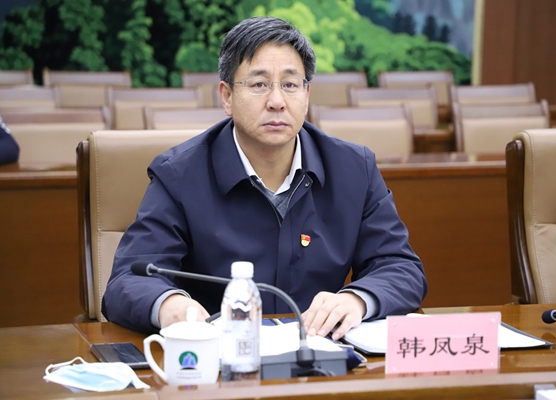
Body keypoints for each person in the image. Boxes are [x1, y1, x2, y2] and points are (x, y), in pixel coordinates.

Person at [102, 16, 427, 339]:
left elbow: (400, 267)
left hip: (319, 357)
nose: (277, 102)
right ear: (227, 96)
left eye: (290, 85)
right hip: (216, 357)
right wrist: (169, 304)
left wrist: (357, 299)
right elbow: (129, 280)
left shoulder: (354, 169)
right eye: (259, 85)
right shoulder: (179, 175)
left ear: (306, 94)